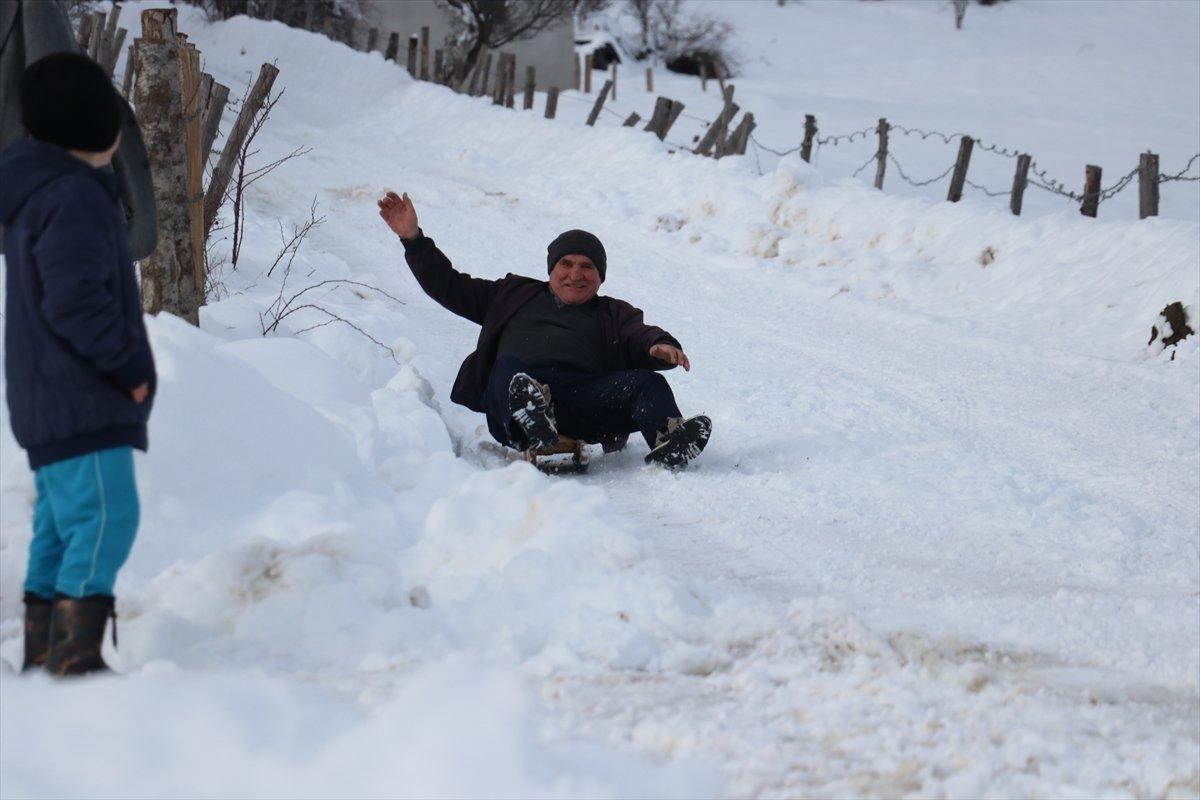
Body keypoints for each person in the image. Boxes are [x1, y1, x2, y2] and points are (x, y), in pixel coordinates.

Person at [0, 52, 156, 676]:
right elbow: (75, 301)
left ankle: (43, 651)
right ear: (104, 130)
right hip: (82, 396)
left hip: (49, 398)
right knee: (108, 515)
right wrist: (128, 368)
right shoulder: (74, 198)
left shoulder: (37, 190)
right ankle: (74, 655)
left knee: (63, 527)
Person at [378, 191, 711, 468]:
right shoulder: (513, 294)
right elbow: (450, 286)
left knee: (648, 383)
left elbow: (639, 334)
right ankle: (536, 429)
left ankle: (668, 440)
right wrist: (414, 240)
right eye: (566, 264)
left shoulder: (613, 311)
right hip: (516, 396)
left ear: (599, 276)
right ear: (552, 268)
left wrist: (659, 346)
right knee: (508, 368)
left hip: (582, 398)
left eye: (586, 267)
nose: (575, 274)